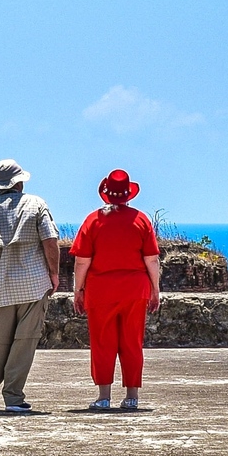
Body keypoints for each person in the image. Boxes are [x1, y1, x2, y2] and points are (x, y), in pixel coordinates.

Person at [0, 159, 60, 415]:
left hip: (1, 286)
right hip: (33, 284)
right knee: (24, 342)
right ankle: (13, 398)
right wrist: (54, 273)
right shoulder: (36, 204)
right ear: (19, 182)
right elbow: (50, 241)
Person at [70, 168, 160, 412]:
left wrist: (78, 290)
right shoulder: (140, 220)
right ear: (128, 194)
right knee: (132, 342)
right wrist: (155, 289)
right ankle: (132, 397)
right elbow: (151, 259)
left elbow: (82, 261)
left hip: (101, 291)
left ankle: (104, 397)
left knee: (102, 343)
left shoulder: (93, 220)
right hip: (135, 289)